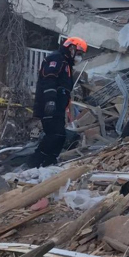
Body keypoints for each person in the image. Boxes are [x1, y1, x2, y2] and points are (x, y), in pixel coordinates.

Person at [29, 37, 87, 167]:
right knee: (54, 135)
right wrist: (50, 101)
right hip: (49, 105)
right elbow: (49, 80)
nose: (79, 57)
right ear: (71, 48)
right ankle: (34, 163)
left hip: (58, 107)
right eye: (78, 54)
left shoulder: (66, 64)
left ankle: (49, 162)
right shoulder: (56, 59)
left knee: (60, 136)